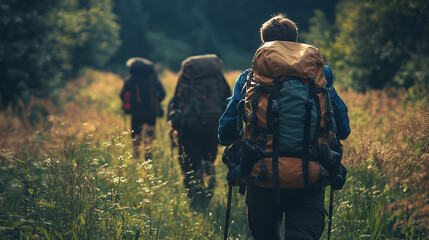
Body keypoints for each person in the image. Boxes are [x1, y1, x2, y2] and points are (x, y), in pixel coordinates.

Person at [218, 14, 350, 239]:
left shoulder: (248, 79)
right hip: (310, 175)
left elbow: (225, 132)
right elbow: (344, 129)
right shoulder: (320, 76)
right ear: (295, 41)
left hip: (262, 175)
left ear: (264, 45)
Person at [170, 54, 231, 207]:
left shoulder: (187, 75)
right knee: (209, 162)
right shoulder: (217, 75)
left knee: (189, 165)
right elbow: (227, 98)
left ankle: (194, 202)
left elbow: (177, 100)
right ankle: (208, 195)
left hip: (189, 126)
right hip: (212, 124)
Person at [120, 57, 166, 160]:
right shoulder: (152, 78)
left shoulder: (130, 79)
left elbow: (122, 95)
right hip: (151, 112)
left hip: (136, 113)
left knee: (136, 136)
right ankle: (148, 160)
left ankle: (136, 162)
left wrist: (129, 104)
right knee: (149, 137)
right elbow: (163, 93)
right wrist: (156, 101)